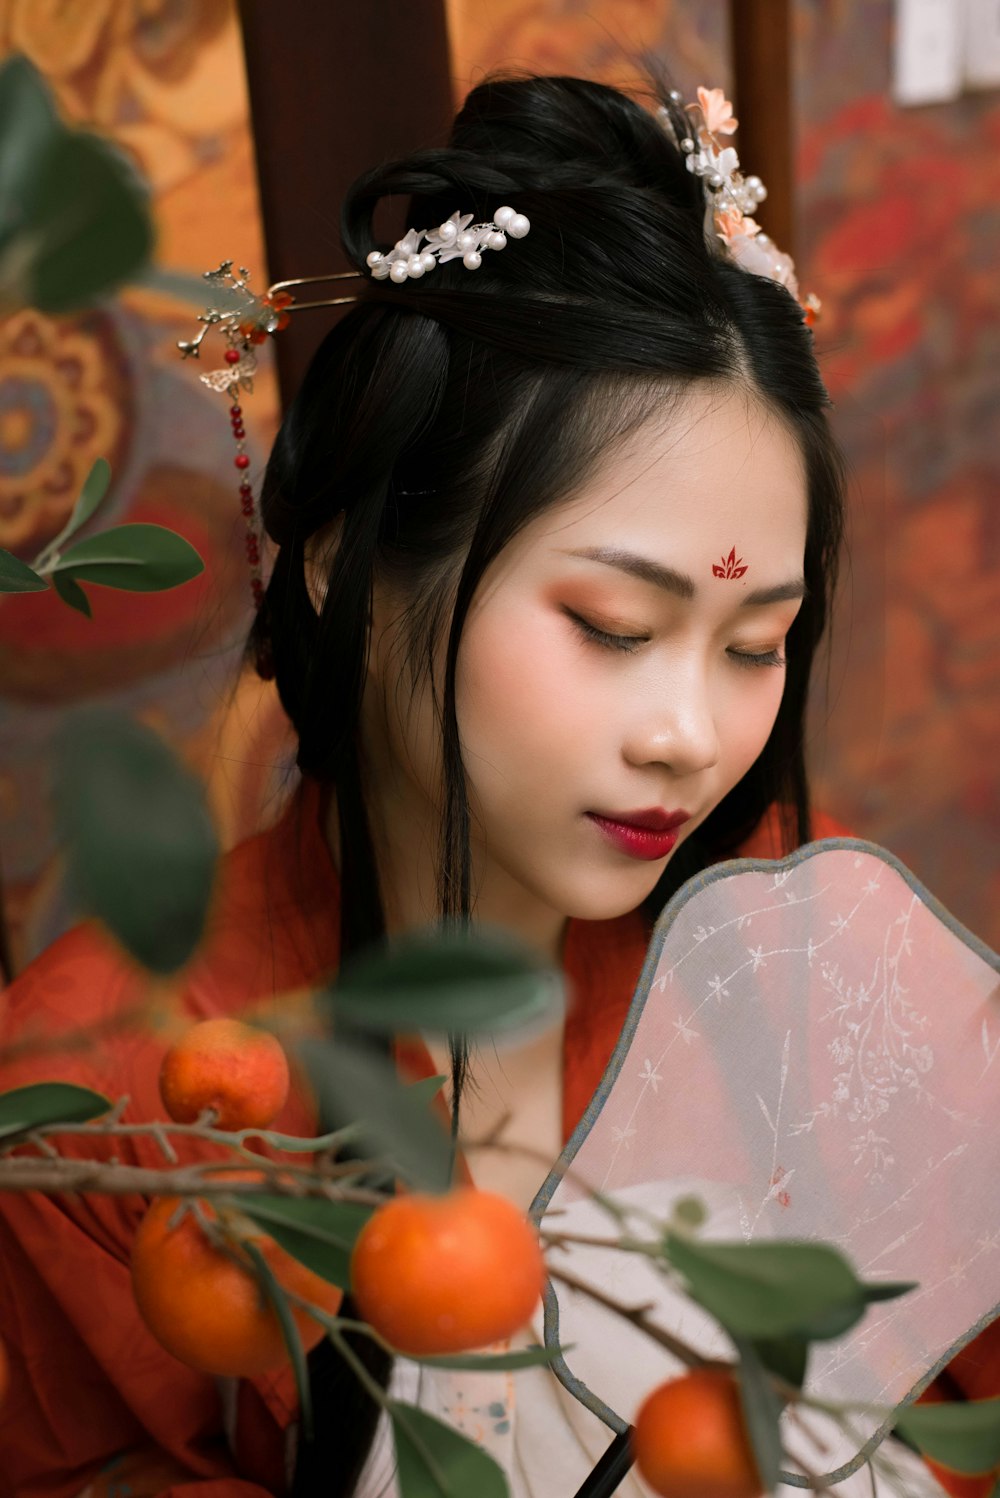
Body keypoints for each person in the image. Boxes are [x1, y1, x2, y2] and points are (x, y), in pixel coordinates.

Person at [0, 72, 994, 1498]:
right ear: (347, 558)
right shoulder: (119, 1088)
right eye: (612, 626)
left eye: (756, 643)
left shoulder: (798, 937)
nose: (689, 735)